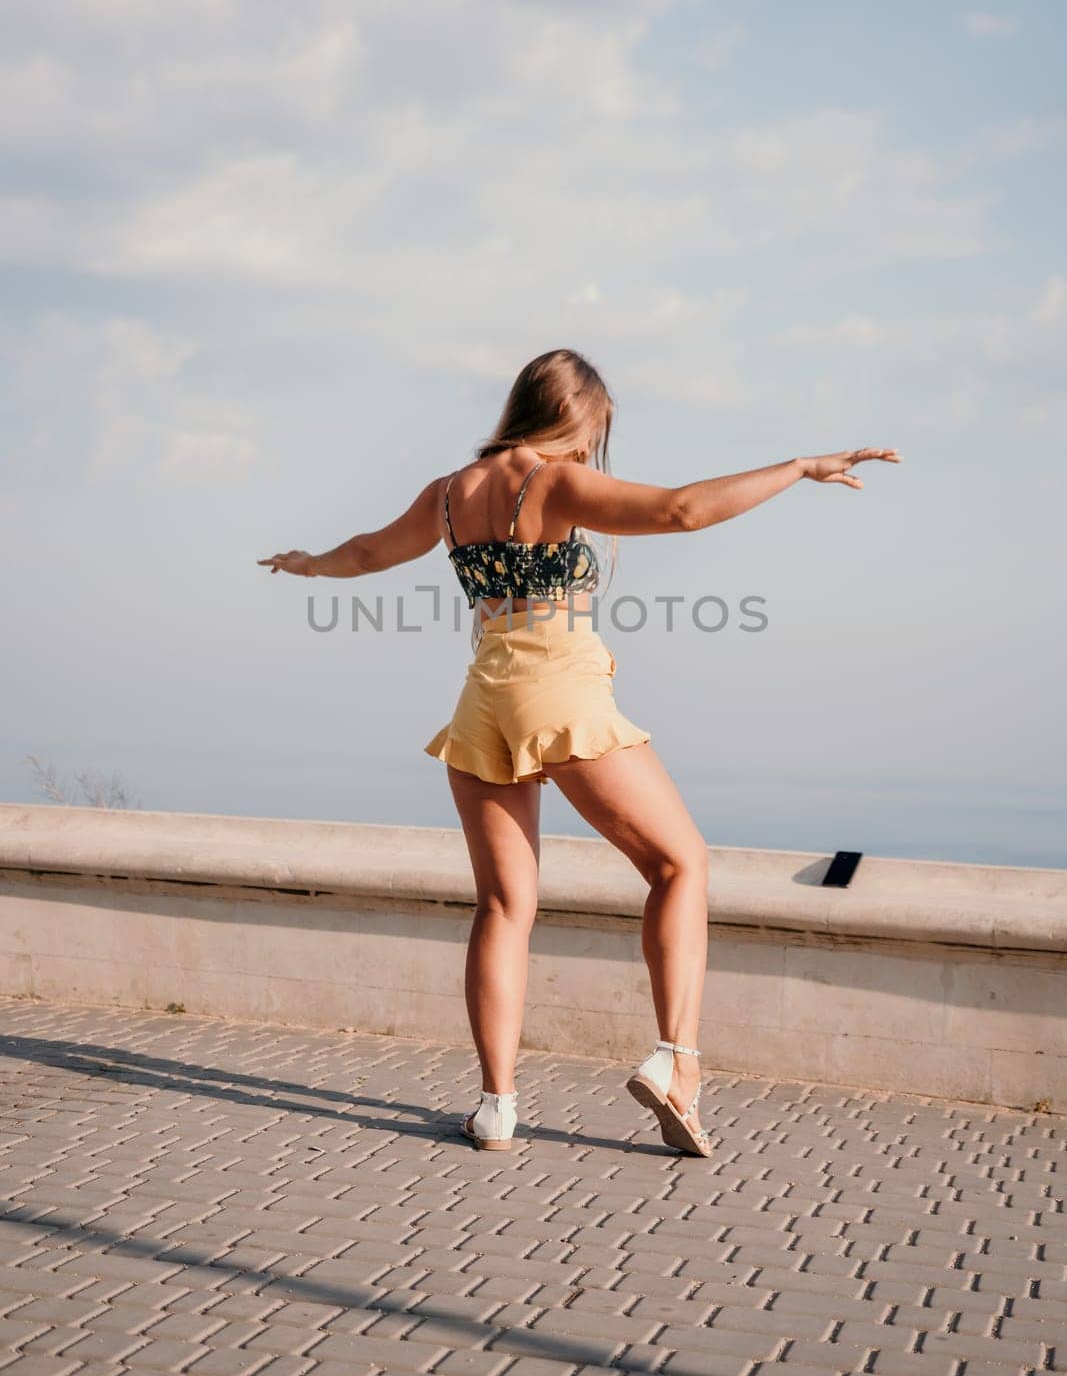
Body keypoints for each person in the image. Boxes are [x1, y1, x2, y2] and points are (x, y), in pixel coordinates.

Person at [258, 348, 900, 1158]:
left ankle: (496, 1105)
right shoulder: (548, 482)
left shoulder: (450, 493)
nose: (594, 445)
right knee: (680, 866)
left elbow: (366, 553)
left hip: (482, 701)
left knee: (502, 907)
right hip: (556, 693)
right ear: (574, 416)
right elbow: (680, 511)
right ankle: (676, 1061)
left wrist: (306, 563)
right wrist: (800, 465)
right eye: (595, 428)